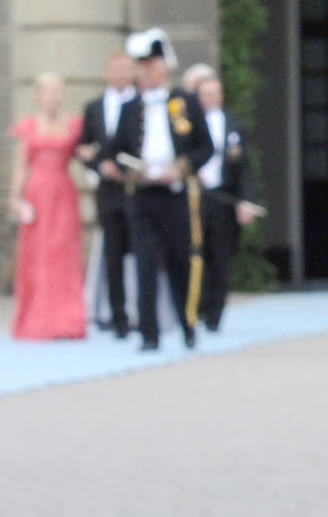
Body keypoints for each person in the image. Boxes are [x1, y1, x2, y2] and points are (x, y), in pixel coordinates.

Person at [109, 30, 211, 350]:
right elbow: (115, 150)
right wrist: (128, 168)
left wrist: (180, 168)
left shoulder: (185, 103)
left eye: (151, 65)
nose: (146, 72)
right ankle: (149, 334)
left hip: (175, 195)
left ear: (165, 67)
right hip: (143, 197)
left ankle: (187, 325)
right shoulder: (130, 109)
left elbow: (204, 148)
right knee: (146, 265)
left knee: (182, 262)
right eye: (142, 66)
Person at [7, 73, 89, 341]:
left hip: (63, 193)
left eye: (59, 91)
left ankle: (66, 319)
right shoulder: (29, 126)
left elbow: (85, 156)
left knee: (63, 254)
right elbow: (21, 167)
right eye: (50, 92)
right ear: (38, 96)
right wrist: (15, 198)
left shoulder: (75, 125)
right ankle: (37, 320)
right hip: (37, 195)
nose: (55, 97)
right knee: (37, 256)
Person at [186, 65, 258, 334]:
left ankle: (215, 313)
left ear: (222, 96)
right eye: (205, 94)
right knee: (196, 255)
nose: (210, 99)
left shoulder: (234, 125)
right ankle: (198, 307)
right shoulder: (190, 125)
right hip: (197, 196)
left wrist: (245, 201)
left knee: (221, 258)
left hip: (224, 198)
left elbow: (245, 169)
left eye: (215, 93)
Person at [75, 50, 139, 332]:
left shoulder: (142, 104)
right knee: (113, 253)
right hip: (109, 190)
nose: (122, 74)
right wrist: (100, 166)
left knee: (141, 252)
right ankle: (118, 315)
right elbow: (84, 147)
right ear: (106, 73)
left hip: (138, 188)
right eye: (116, 69)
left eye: (126, 69)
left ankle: (143, 312)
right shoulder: (94, 108)